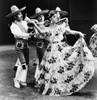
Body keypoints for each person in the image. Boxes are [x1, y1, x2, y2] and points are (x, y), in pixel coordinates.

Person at [29, 7, 95, 96]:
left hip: (60, 47)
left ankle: (60, 86)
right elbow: (41, 32)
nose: (57, 18)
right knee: (52, 68)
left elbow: (69, 31)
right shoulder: (49, 26)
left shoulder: (61, 25)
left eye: (57, 16)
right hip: (52, 49)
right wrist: (34, 24)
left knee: (61, 66)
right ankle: (51, 87)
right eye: (55, 16)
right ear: (51, 18)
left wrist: (78, 32)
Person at [6, 5, 32, 88]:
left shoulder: (24, 22)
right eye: (19, 14)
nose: (21, 15)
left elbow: (30, 27)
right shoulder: (13, 26)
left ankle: (22, 80)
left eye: (21, 14)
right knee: (22, 64)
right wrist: (28, 34)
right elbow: (18, 34)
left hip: (26, 45)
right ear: (15, 16)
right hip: (19, 45)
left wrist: (31, 22)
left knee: (26, 63)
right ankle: (16, 79)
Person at [30, 7, 49, 81]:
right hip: (40, 43)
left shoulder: (47, 23)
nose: (41, 17)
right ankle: (40, 78)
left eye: (42, 15)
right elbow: (37, 35)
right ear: (37, 18)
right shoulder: (35, 25)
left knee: (47, 60)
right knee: (41, 60)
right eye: (39, 16)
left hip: (47, 43)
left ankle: (45, 76)